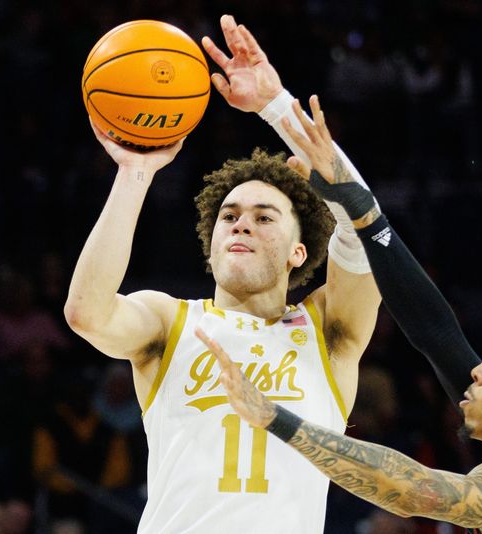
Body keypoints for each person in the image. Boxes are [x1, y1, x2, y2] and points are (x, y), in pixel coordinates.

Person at [195, 95, 482, 533]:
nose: (478, 370)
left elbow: (409, 489)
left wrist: (274, 417)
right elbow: (434, 330)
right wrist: (363, 214)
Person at [64, 15, 381, 533]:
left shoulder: (327, 333)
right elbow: (86, 313)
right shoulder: (171, 322)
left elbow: (365, 226)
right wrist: (135, 172)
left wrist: (277, 107)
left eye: (264, 217)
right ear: (210, 249)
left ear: (298, 252)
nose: (241, 225)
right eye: (229, 216)